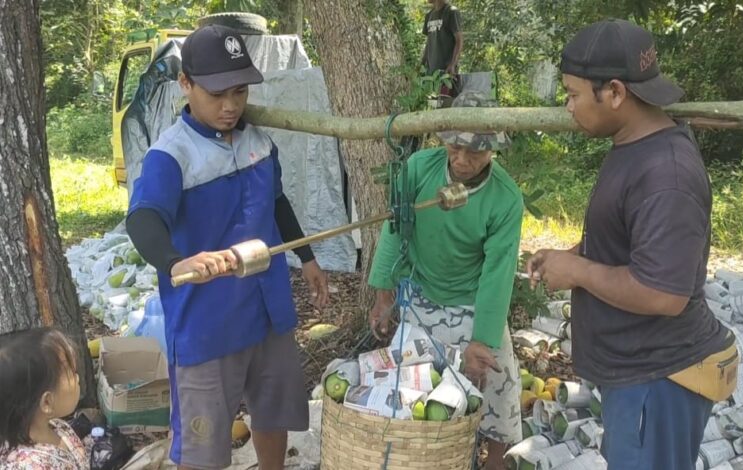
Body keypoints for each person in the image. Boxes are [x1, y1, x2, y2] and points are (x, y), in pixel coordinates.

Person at [525, 19, 736, 470]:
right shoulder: (634, 145)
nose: (568, 106)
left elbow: (663, 293)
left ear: (616, 92)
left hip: (657, 381)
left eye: (574, 94)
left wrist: (578, 272)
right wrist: (573, 255)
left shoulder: (667, 174)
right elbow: (630, 237)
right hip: (637, 377)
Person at [125, 24, 328, 470]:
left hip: (267, 308)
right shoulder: (171, 156)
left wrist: (307, 258)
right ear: (185, 84)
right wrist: (176, 261)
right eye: (217, 93)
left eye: (240, 92)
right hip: (208, 322)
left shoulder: (258, 140)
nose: (231, 105)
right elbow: (142, 218)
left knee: (272, 411)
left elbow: (276, 201)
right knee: (204, 444)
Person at [368, 91, 523, 470]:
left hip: (472, 299)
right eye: (455, 147)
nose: (462, 160)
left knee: (498, 384)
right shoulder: (419, 169)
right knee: (412, 387)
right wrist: (383, 294)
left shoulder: (505, 199)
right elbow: (393, 231)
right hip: (421, 294)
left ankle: (496, 460)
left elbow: (497, 275)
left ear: (494, 150)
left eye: (476, 152)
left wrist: (481, 340)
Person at [0, 327, 88, 470]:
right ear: (47, 402)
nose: (77, 377)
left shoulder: (56, 426)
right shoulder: (29, 466)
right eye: (71, 372)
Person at [422, 0, 464, 97]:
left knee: (444, 104)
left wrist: (453, 64)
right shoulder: (429, 15)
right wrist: (422, 64)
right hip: (431, 72)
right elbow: (429, 42)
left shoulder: (451, 12)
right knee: (431, 105)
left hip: (446, 72)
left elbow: (459, 40)